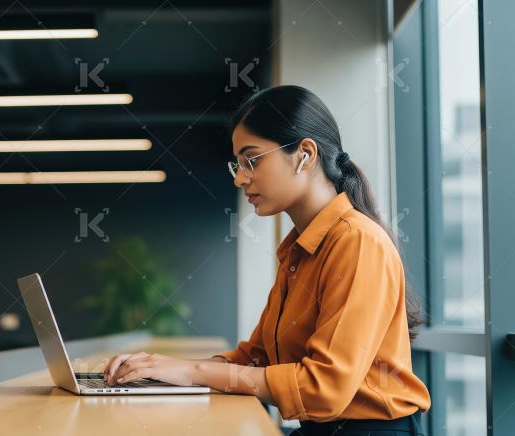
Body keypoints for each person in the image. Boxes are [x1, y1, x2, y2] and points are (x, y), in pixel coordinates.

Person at [102, 85, 431, 435]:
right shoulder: (298, 249)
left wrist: (192, 373)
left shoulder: (356, 241)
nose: (241, 177)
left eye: (252, 159)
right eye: (237, 164)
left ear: (305, 154)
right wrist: (166, 368)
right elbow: (257, 357)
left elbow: (325, 388)